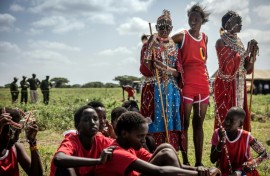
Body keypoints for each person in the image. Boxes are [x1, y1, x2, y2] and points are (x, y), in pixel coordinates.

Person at [95, 111, 220, 176]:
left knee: (165, 147)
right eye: (140, 136)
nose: (144, 140)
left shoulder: (131, 146)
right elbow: (160, 171)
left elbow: (174, 166)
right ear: (124, 134)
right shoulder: (118, 153)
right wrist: (200, 175)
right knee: (166, 153)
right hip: (156, 171)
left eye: (144, 136)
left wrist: (202, 170)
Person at [172, 3, 210, 166]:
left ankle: (199, 162)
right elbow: (166, 43)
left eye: (196, 18)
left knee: (198, 124)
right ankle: (186, 161)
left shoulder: (205, 38)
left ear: (202, 20)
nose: (193, 21)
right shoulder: (182, 35)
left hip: (203, 84)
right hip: (187, 84)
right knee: (185, 123)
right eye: (190, 18)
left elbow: (203, 62)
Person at [140, 9, 182, 151]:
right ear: (156, 27)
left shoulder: (175, 46)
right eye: (161, 27)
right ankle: (153, 151)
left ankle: (171, 151)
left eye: (168, 26)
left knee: (171, 122)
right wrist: (150, 46)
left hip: (171, 90)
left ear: (171, 28)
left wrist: (165, 68)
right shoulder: (149, 44)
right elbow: (146, 66)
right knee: (153, 120)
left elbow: (179, 73)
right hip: (153, 88)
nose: (164, 29)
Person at [213, 11, 259, 132]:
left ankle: (238, 144)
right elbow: (228, 68)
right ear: (227, 25)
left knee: (239, 117)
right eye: (236, 21)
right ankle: (224, 148)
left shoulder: (239, 43)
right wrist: (246, 52)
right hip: (226, 86)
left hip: (239, 85)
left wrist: (252, 54)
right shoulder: (220, 42)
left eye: (240, 21)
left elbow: (247, 69)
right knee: (227, 118)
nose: (240, 24)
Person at [50, 105, 114, 176]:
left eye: (95, 119)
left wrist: (113, 135)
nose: (92, 123)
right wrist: (98, 161)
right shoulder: (72, 141)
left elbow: (121, 147)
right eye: (86, 120)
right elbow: (58, 158)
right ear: (77, 125)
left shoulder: (101, 140)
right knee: (66, 167)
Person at [210, 107, 269, 176]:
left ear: (240, 124)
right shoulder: (217, 133)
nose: (227, 122)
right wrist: (221, 142)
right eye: (226, 118)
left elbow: (264, 154)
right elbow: (212, 159)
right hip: (224, 172)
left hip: (243, 172)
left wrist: (252, 163)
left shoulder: (246, 136)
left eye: (231, 121)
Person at [0, 107, 43, 176]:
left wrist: (33, 142)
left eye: (18, 133)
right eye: (14, 133)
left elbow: (36, 174)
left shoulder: (16, 147)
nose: (17, 138)